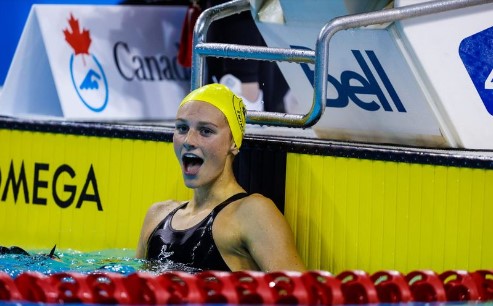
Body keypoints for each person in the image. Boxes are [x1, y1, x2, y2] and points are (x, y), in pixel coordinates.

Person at [135, 83, 306, 272]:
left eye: (206, 131)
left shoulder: (252, 213)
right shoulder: (156, 215)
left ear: (233, 142)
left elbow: (299, 295)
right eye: (182, 128)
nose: (188, 141)